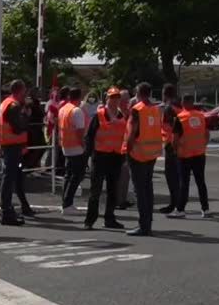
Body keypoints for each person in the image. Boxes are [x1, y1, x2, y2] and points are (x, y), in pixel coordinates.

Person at [83, 88, 127, 230]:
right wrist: (88, 157)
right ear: (106, 99)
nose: (115, 100)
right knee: (95, 190)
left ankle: (110, 218)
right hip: (100, 157)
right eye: (112, 97)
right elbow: (89, 137)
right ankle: (89, 220)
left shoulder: (121, 116)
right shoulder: (99, 115)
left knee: (112, 190)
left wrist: (124, 155)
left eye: (117, 97)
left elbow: (125, 136)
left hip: (116, 157)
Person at [125, 82, 163, 236]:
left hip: (138, 153)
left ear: (139, 93)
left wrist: (127, 150)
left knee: (140, 191)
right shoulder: (155, 109)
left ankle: (144, 225)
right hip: (151, 153)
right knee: (148, 189)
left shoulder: (137, 110)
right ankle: (148, 222)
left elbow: (133, 132)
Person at [0, 80, 36, 226]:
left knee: (11, 177)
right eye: (25, 90)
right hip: (13, 146)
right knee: (9, 179)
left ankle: (11, 210)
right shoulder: (14, 106)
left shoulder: (7, 103)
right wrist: (27, 115)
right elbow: (18, 127)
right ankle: (7, 212)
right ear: (20, 91)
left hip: (10, 145)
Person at [171, 94, 212, 218]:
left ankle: (180, 209)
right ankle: (205, 209)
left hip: (184, 154)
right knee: (201, 182)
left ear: (184, 103)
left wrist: (175, 150)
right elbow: (207, 133)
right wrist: (202, 145)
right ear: (192, 102)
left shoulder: (180, 117)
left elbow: (175, 139)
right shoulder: (200, 115)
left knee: (184, 183)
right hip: (199, 153)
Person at [58, 88, 89, 213]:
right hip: (76, 147)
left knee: (68, 175)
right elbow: (79, 132)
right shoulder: (76, 111)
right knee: (76, 176)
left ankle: (65, 202)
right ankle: (68, 203)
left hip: (66, 145)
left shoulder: (63, 109)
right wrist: (84, 146)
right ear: (80, 97)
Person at [158, 84, 183, 215]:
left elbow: (169, 128)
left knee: (171, 176)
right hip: (181, 144)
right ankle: (177, 203)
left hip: (171, 144)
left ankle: (174, 204)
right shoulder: (180, 106)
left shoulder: (169, 109)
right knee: (178, 177)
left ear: (164, 94)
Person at [23, 93, 47, 170]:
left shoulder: (34, 105)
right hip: (33, 129)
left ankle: (31, 164)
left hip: (36, 129)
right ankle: (30, 164)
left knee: (38, 147)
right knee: (35, 148)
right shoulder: (31, 105)